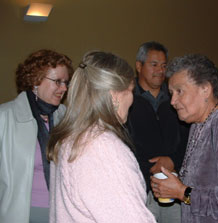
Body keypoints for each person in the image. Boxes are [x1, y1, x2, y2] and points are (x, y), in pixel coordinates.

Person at [47, 51, 157, 223]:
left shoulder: (67, 136)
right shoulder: (103, 148)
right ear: (114, 95)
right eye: (130, 91)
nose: (131, 99)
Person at [151, 54, 218, 222]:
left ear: (205, 89)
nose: (173, 101)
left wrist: (181, 192)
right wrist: (173, 185)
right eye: (171, 93)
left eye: (179, 91)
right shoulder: (197, 125)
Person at [0, 49, 73, 223]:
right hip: (21, 213)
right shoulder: (5, 117)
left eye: (66, 82)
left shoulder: (68, 118)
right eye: (57, 81)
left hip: (63, 212)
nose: (64, 88)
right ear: (35, 81)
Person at [126, 41, 189, 223]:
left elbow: (189, 141)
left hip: (175, 188)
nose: (161, 71)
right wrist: (149, 168)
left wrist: (172, 161)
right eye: (154, 65)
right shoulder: (126, 99)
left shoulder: (176, 100)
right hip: (140, 190)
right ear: (139, 66)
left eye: (164, 66)